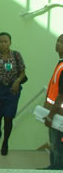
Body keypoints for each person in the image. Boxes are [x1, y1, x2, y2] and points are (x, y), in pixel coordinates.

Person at [0, 32, 26, 155]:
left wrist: (17, 81)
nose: (3, 44)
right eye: (0, 41)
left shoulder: (16, 55)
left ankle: (5, 141)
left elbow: (22, 72)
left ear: (10, 42)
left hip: (12, 90)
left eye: (5, 41)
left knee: (8, 118)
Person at [43, 34, 63, 170]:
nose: (58, 43)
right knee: (54, 144)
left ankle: (56, 169)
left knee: (57, 145)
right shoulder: (60, 63)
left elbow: (61, 95)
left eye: (61, 42)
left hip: (59, 113)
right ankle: (53, 168)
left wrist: (50, 115)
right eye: (58, 40)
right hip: (55, 112)